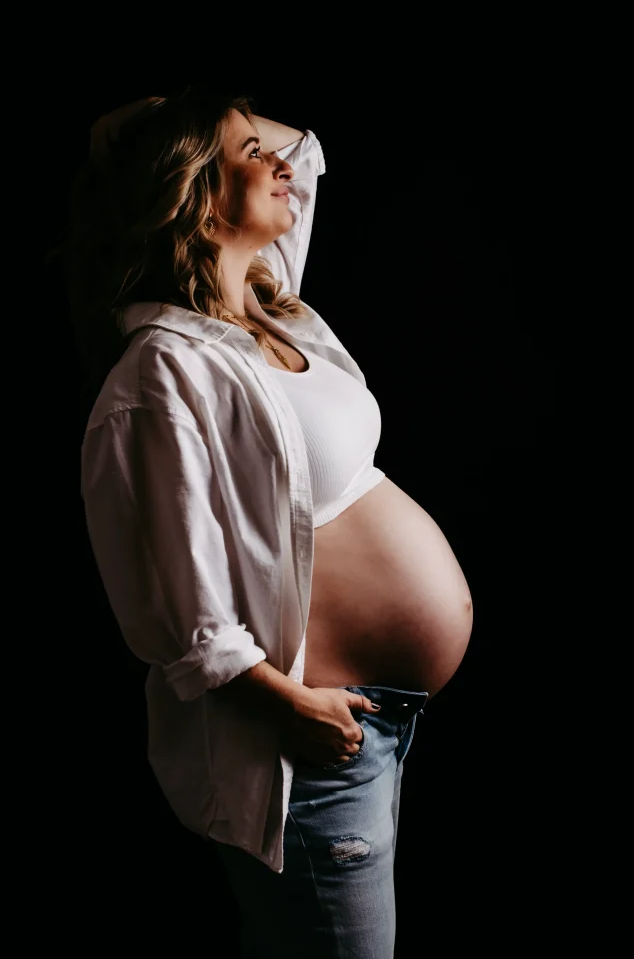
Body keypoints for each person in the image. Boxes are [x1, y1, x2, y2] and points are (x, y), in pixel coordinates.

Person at [69, 86, 474, 958]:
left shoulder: (268, 303)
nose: (280, 163)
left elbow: (306, 153)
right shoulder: (162, 373)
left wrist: (217, 126)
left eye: (265, 147)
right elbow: (179, 608)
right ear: (190, 191)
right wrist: (293, 707)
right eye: (248, 154)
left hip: (368, 724)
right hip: (307, 748)